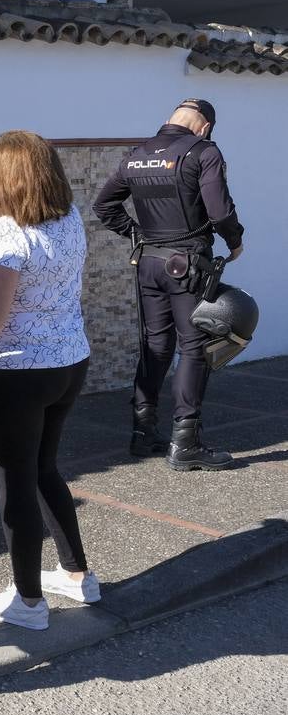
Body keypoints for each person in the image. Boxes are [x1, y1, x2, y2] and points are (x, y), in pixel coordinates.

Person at [0, 131, 99, 632]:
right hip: (69, 362)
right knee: (45, 468)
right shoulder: (68, 217)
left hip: (15, 373)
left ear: (2, 179)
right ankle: (76, 576)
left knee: (16, 484)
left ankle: (27, 601)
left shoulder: (9, 238)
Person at [93, 98, 243, 471]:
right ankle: (186, 443)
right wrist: (235, 241)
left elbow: (103, 206)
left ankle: (143, 434)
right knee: (194, 347)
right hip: (188, 264)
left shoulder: (137, 154)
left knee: (156, 345)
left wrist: (137, 234)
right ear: (205, 126)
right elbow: (220, 211)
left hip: (148, 264)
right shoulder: (203, 150)